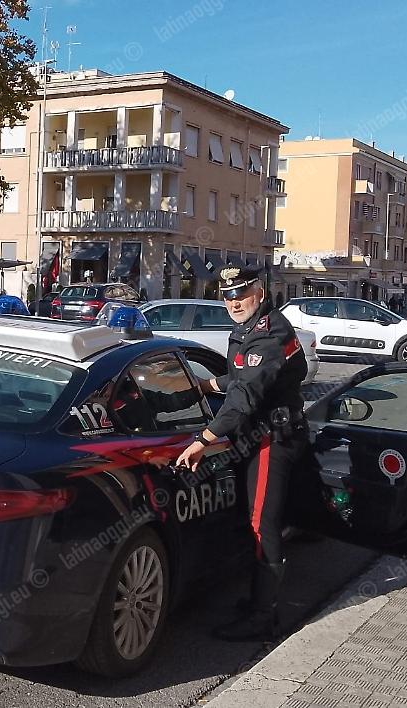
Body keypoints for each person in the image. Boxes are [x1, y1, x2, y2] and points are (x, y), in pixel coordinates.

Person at [175, 265, 309, 642]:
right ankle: (257, 600)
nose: (234, 301)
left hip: (270, 440)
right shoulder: (250, 329)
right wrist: (206, 384)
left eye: (241, 293)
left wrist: (204, 439)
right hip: (257, 435)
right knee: (253, 520)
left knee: (261, 524)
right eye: (227, 294)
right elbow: (239, 379)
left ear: (260, 293)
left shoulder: (269, 334)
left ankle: (263, 617)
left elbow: (245, 397)